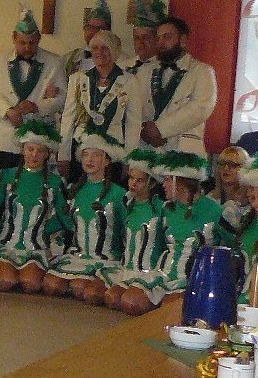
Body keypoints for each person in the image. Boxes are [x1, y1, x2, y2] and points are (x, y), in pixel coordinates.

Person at [0, 5, 65, 186]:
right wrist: (7, 110)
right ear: (14, 38)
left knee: (31, 189)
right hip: (1, 141)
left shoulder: (54, 62)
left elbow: (62, 99)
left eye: (32, 43)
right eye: (22, 43)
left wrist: (38, 107)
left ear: (39, 39)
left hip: (36, 143)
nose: (27, 47)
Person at [0, 120, 68, 294]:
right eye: (30, 149)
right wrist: (4, 227)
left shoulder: (54, 182)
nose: (34, 155)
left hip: (36, 249)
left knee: (30, 284)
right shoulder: (8, 176)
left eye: (41, 150)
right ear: (22, 150)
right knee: (4, 282)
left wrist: (45, 231)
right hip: (7, 245)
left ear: (47, 154)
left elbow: (64, 218)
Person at [43, 130, 127, 304]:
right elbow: (63, 222)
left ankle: (99, 284)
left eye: (96, 155)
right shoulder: (75, 189)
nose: (90, 160)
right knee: (51, 286)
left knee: (84, 291)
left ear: (107, 160)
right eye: (86, 155)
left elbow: (126, 231)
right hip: (78, 257)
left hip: (106, 260)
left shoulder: (119, 194)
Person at [58, 30, 142, 183]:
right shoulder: (77, 79)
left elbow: (133, 124)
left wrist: (130, 160)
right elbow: (68, 118)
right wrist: (63, 155)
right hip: (81, 149)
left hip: (113, 152)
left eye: (105, 48)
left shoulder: (130, 81)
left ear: (115, 52)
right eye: (95, 48)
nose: (99, 52)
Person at [153, 151, 230, 300]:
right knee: (128, 300)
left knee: (166, 307)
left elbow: (232, 247)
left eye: (168, 179)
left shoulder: (216, 211)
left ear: (181, 183)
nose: (164, 184)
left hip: (195, 281)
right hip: (164, 275)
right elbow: (159, 244)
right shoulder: (167, 208)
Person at [138, 16, 217, 156]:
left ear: (183, 40)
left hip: (183, 154)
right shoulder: (145, 71)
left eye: (167, 37)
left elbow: (201, 108)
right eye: (158, 38)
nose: (161, 43)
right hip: (148, 150)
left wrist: (160, 129)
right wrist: (143, 130)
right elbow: (134, 105)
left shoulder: (202, 71)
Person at [102, 149, 167, 315]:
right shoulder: (126, 205)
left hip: (150, 272)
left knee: (131, 304)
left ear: (151, 183)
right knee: (110, 297)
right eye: (131, 178)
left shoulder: (161, 209)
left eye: (140, 180)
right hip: (127, 269)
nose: (133, 184)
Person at [62, 0, 112, 79]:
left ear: (108, 32)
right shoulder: (68, 59)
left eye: (100, 28)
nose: (95, 32)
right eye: (91, 27)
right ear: (84, 29)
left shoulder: (120, 60)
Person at [207, 145, 251, 239]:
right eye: (222, 164)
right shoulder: (210, 198)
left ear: (244, 169)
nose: (226, 168)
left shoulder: (251, 200)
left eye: (232, 165)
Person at [124, 0, 165, 77]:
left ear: (156, 39)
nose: (140, 42)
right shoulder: (123, 67)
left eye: (145, 37)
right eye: (136, 38)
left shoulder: (165, 69)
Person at [235, 158, 258, 303]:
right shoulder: (248, 221)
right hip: (242, 301)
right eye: (249, 187)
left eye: (254, 187)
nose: (249, 193)